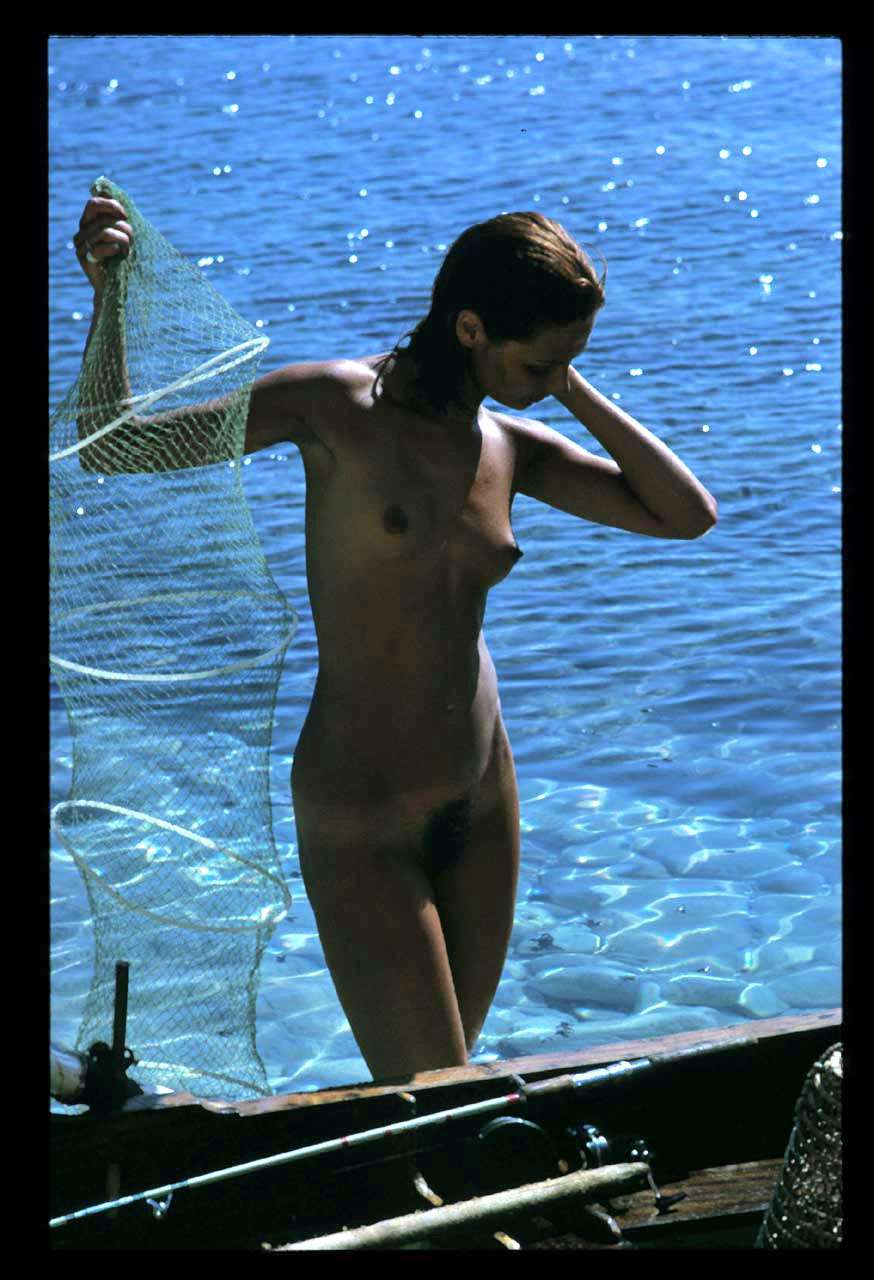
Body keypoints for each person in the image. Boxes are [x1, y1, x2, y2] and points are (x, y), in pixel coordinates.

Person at [72, 196, 717, 1082]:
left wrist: (565, 382)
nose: (552, 382)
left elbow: (687, 514)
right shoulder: (331, 405)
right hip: (362, 814)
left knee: (447, 1091)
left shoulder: (510, 444)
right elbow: (115, 445)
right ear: (469, 327)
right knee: (437, 1092)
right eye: (540, 362)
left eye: (567, 363)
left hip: (482, 800)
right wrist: (110, 294)